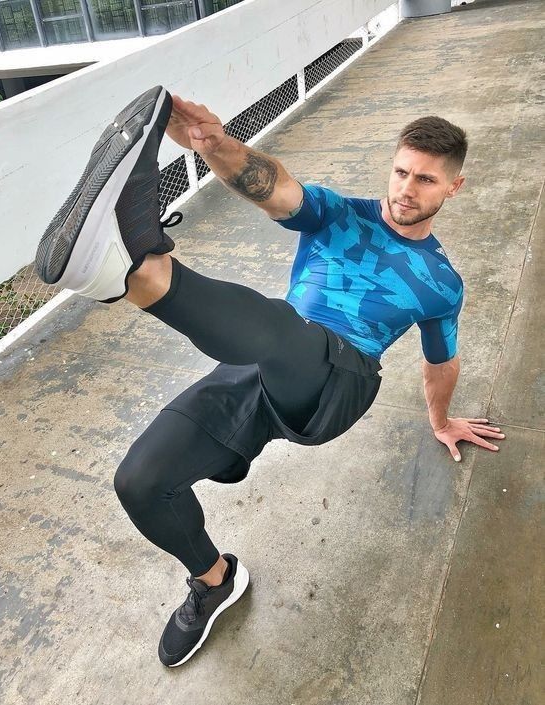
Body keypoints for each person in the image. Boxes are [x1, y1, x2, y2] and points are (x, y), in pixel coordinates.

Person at [35, 86, 505, 668]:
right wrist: (211, 144)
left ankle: (125, 266)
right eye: (401, 171)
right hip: (259, 358)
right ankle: (215, 582)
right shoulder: (339, 213)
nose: (406, 189)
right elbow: (273, 186)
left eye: (425, 180)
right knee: (141, 481)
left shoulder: (440, 281)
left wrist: (441, 420)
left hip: (340, 379)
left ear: (453, 187)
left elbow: (441, 360)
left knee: (283, 329)